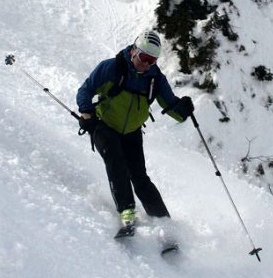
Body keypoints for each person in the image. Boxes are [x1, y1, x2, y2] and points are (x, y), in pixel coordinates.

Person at [76, 30, 194, 237]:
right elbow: (85, 90)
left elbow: (171, 104)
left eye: (152, 60)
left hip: (132, 131)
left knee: (140, 177)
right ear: (133, 51)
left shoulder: (154, 79)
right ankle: (127, 212)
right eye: (144, 58)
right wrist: (87, 113)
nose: (146, 64)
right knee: (116, 163)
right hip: (104, 126)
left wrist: (183, 110)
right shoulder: (111, 68)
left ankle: (164, 223)